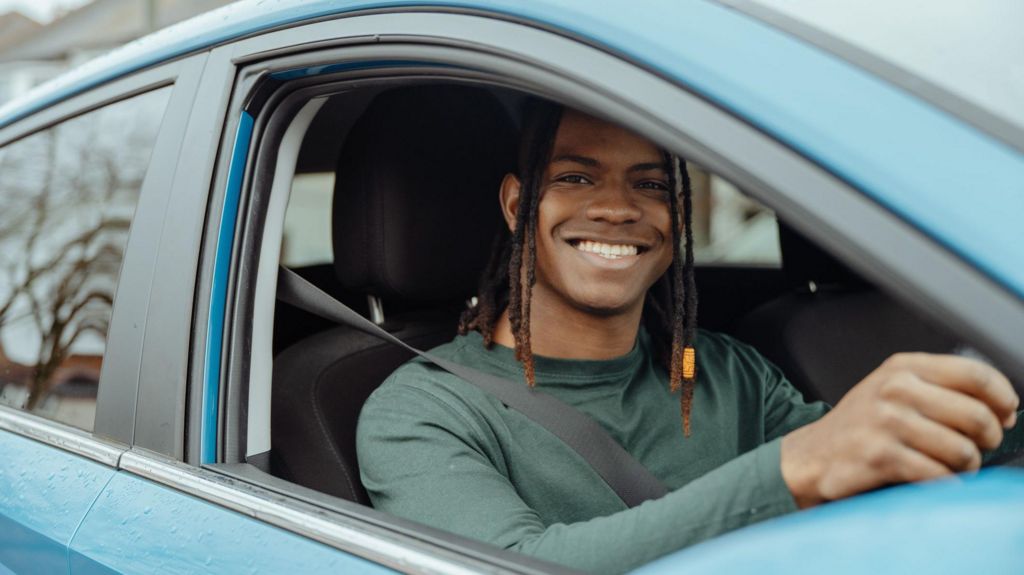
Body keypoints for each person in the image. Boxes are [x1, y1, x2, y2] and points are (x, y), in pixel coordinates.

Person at [356, 100, 1023, 574]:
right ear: (515, 204)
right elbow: (517, 568)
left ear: (679, 217)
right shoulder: (420, 410)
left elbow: (869, 481)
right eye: (576, 177)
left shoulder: (731, 372)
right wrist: (793, 467)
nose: (617, 207)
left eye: (651, 185)